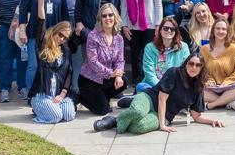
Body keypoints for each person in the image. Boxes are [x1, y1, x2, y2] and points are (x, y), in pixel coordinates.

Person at [94, 53, 227, 134]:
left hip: (166, 115)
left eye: (197, 65)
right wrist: (162, 125)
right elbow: (162, 99)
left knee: (140, 127)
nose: (193, 67)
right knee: (137, 112)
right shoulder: (174, 73)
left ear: (201, 68)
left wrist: (212, 121)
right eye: (191, 63)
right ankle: (114, 120)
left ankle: (129, 107)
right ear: (186, 64)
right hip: (150, 99)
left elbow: (196, 116)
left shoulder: (198, 88)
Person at [79, 3, 127, 115]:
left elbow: (120, 60)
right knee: (103, 111)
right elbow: (93, 62)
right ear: (100, 19)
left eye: (110, 15)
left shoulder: (119, 38)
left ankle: (103, 98)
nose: (108, 18)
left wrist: (118, 75)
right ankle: (80, 97)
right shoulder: (93, 36)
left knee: (124, 82)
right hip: (89, 80)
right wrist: (111, 74)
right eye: (104, 16)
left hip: (105, 79)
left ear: (115, 17)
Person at [31, 21, 77, 124]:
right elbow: (40, 22)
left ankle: (49, 109)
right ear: (55, 31)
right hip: (43, 94)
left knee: (68, 115)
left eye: (65, 38)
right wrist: (41, 5)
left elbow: (69, 72)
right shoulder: (43, 45)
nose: (62, 39)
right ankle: (40, 109)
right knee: (56, 116)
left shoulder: (65, 50)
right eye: (60, 35)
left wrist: (62, 94)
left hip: (59, 95)